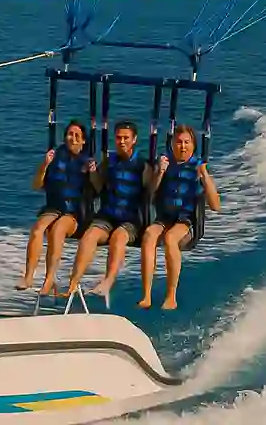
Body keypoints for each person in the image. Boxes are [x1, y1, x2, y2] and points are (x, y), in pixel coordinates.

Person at [63, 120, 148, 303]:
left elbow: (152, 190)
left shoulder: (143, 165)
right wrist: (93, 172)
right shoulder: (109, 162)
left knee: (118, 238)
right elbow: (98, 186)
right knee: (89, 236)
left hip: (130, 220)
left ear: (134, 140)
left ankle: (108, 282)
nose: (122, 142)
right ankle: (73, 283)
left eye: (126, 138)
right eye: (118, 138)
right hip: (107, 215)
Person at [139, 124, 220, 310]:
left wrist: (205, 176)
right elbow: (150, 194)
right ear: (172, 144)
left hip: (186, 221)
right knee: (150, 234)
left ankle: (171, 296)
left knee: (170, 239)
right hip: (165, 217)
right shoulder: (166, 163)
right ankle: (146, 295)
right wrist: (160, 172)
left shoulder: (198, 168)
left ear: (193, 146)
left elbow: (216, 206)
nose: (182, 146)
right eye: (178, 142)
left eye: (186, 142)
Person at [17, 120, 90, 294]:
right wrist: (45, 165)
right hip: (54, 208)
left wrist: (92, 173)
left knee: (57, 231)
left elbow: (100, 187)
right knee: (37, 230)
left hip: (74, 214)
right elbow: (36, 185)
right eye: (69, 135)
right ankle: (28, 277)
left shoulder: (87, 162)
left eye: (76, 136)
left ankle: (49, 279)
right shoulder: (55, 157)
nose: (72, 138)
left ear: (83, 140)